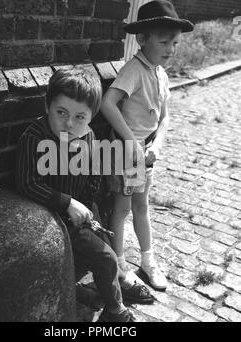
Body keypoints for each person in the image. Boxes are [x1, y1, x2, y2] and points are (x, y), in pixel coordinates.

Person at [15, 68, 154, 323]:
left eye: (80, 117)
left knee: (105, 252)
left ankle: (106, 286)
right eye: (61, 113)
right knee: (105, 257)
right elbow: (27, 183)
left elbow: (93, 175)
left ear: (91, 117)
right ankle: (115, 311)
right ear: (48, 106)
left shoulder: (88, 136)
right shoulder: (35, 136)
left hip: (81, 211)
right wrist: (67, 203)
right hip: (51, 217)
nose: (69, 123)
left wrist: (90, 210)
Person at [101, 0, 194, 291]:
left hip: (146, 155)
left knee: (143, 207)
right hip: (128, 155)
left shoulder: (161, 74)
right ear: (142, 39)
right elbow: (108, 104)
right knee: (123, 208)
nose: (170, 49)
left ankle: (147, 260)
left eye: (175, 43)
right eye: (164, 41)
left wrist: (158, 146)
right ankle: (117, 263)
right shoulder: (135, 69)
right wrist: (131, 142)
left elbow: (165, 118)